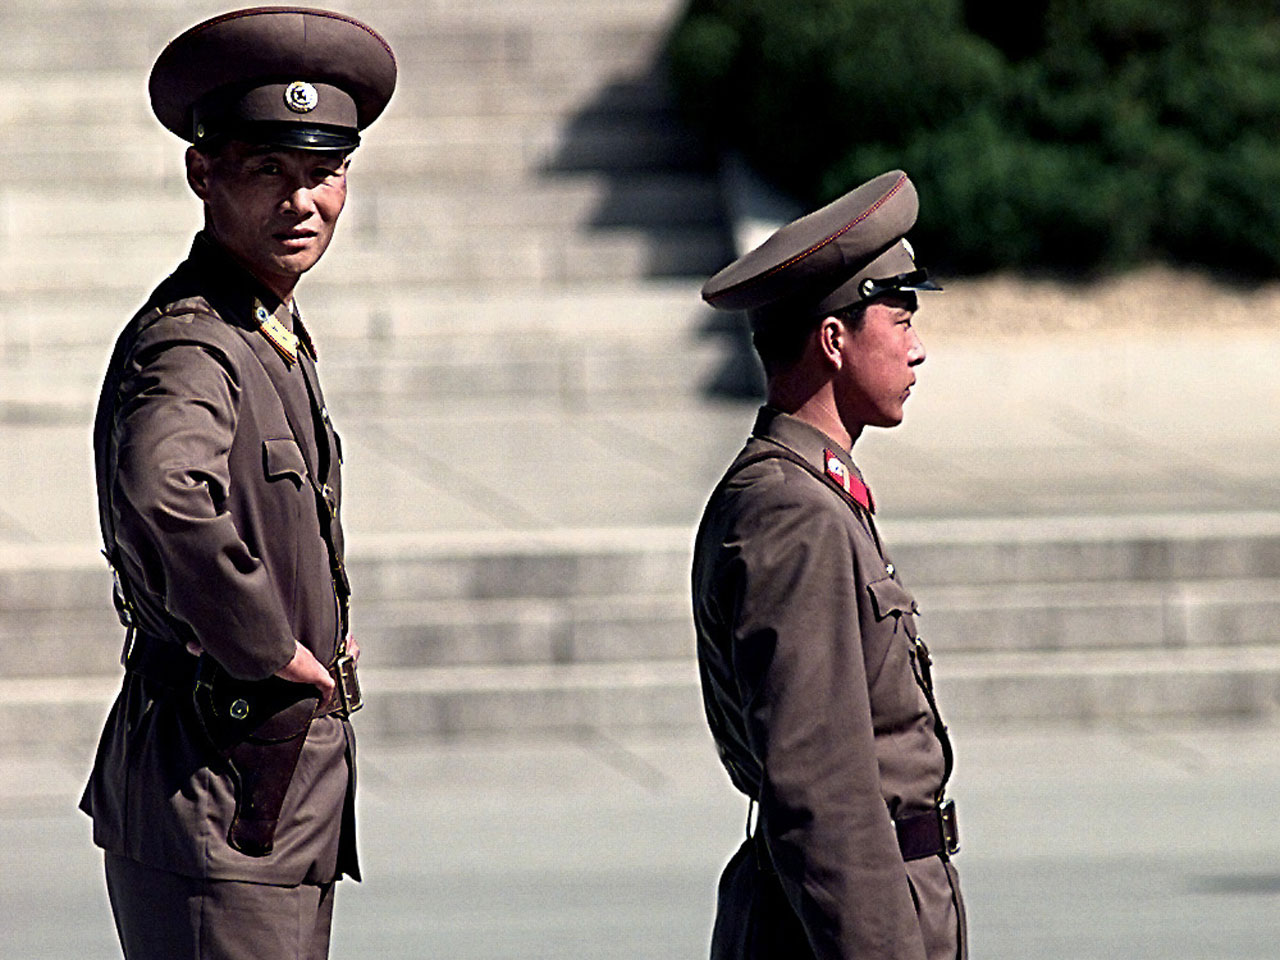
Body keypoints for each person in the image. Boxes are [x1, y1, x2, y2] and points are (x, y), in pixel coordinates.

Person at [81, 8, 396, 958]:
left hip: (261, 799)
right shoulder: (195, 342)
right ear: (202, 173)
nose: (302, 203)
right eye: (267, 170)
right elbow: (164, 487)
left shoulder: (262, 326)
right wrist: (266, 642)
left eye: (323, 172)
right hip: (215, 789)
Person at [692, 170, 967, 960]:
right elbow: (823, 790)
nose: (917, 348)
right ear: (834, 341)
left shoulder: (811, 496)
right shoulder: (793, 514)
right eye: (900, 319)